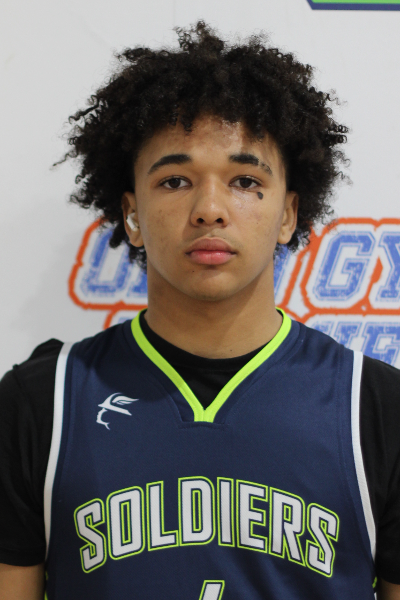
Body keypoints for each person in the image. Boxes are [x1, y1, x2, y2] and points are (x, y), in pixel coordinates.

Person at [0, 21, 399, 600]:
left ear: (288, 214)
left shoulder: (377, 409)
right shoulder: (42, 404)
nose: (210, 209)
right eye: (175, 181)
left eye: (244, 180)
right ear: (131, 214)